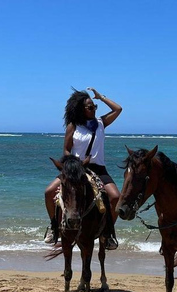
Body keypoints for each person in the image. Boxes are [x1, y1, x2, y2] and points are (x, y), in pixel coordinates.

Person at [44, 88, 123, 249]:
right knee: (49, 192)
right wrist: (72, 164)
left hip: (98, 168)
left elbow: (118, 109)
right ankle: (53, 227)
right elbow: (66, 149)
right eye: (90, 107)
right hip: (76, 168)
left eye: (95, 107)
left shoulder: (101, 123)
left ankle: (108, 232)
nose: (93, 109)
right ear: (82, 109)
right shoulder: (73, 126)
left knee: (115, 197)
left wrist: (101, 97)